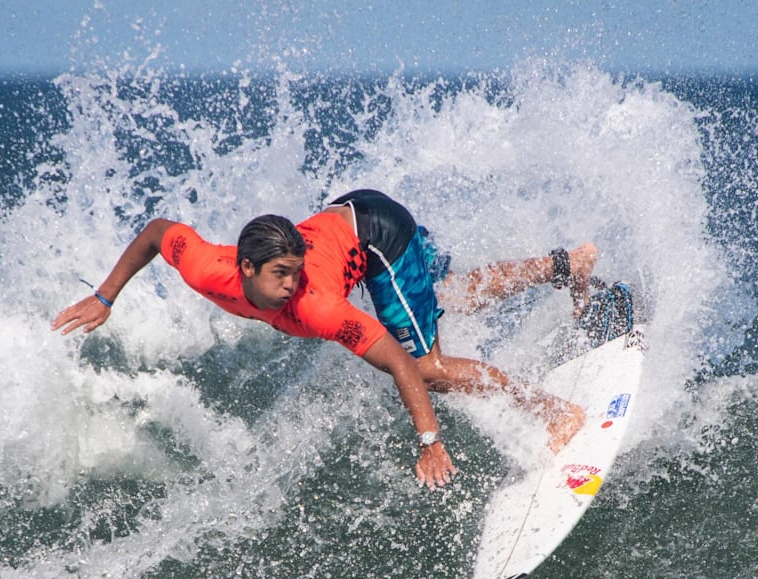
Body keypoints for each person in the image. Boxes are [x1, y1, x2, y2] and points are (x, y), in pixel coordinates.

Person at [52, 189, 597, 490]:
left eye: (296, 272)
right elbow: (155, 231)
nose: (292, 285)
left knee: (428, 364)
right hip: (353, 213)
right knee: (444, 294)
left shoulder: (319, 306)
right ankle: (566, 264)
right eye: (280, 275)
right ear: (244, 268)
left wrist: (429, 442)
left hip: (381, 236)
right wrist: (105, 297)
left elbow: (399, 365)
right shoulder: (200, 265)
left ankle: (557, 413)